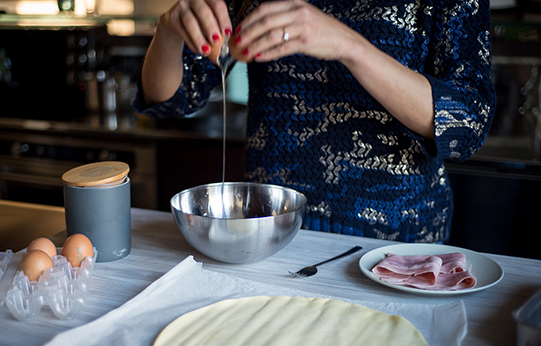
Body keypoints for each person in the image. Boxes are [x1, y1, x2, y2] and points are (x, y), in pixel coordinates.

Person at [133, 0, 496, 243]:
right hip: (271, 229)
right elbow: (171, 100)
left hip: (395, 244)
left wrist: (349, 46)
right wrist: (169, 30)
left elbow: (467, 123)